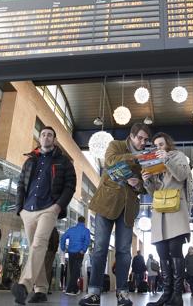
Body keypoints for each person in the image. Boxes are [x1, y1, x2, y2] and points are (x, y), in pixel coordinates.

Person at [79, 123, 151, 306]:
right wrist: (135, 156)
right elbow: (110, 161)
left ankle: (122, 294)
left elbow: (145, 186)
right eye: (140, 138)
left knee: (124, 252)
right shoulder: (116, 145)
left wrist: (138, 184)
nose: (143, 142)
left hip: (128, 208)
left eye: (145, 139)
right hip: (107, 202)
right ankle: (93, 292)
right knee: (100, 248)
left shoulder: (146, 157)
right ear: (132, 136)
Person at [12, 126, 77, 305]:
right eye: (43, 134)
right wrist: (20, 208)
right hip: (28, 210)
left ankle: (24, 286)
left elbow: (70, 185)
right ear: (39, 138)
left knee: (39, 244)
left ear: (54, 140)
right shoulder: (30, 160)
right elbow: (20, 185)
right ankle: (40, 289)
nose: (46, 137)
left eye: (50, 135)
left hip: (49, 208)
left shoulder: (63, 161)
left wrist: (58, 206)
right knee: (35, 249)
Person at [142, 132, 192, 306]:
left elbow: (181, 176)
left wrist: (167, 160)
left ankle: (177, 296)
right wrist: (147, 181)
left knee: (175, 251)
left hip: (176, 210)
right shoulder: (154, 162)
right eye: (156, 145)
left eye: (161, 144)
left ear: (168, 144)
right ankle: (166, 294)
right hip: (159, 213)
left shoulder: (178, 156)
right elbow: (155, 191)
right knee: (162, 252)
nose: (158, 148)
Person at [60, 216, 91, 295]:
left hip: (71, 253)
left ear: (77, 221)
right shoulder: (86, 230)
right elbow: (87, 241)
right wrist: (83, 250)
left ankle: (75, 289)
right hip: (79, 253)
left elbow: (63, 238)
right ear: (84, 222)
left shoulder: (71, 229)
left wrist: (63, 248)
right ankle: (70, 290)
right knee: (76, 271)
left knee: (73, 271)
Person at [44, 227, 60, 295]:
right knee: (48, 270)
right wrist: (54, 251)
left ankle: (42, 288)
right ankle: (45, 288)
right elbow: (56, 242)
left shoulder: (48, 229)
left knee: (44, 269)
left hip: (46, 251)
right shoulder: (54, 230)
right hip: (50, 251)